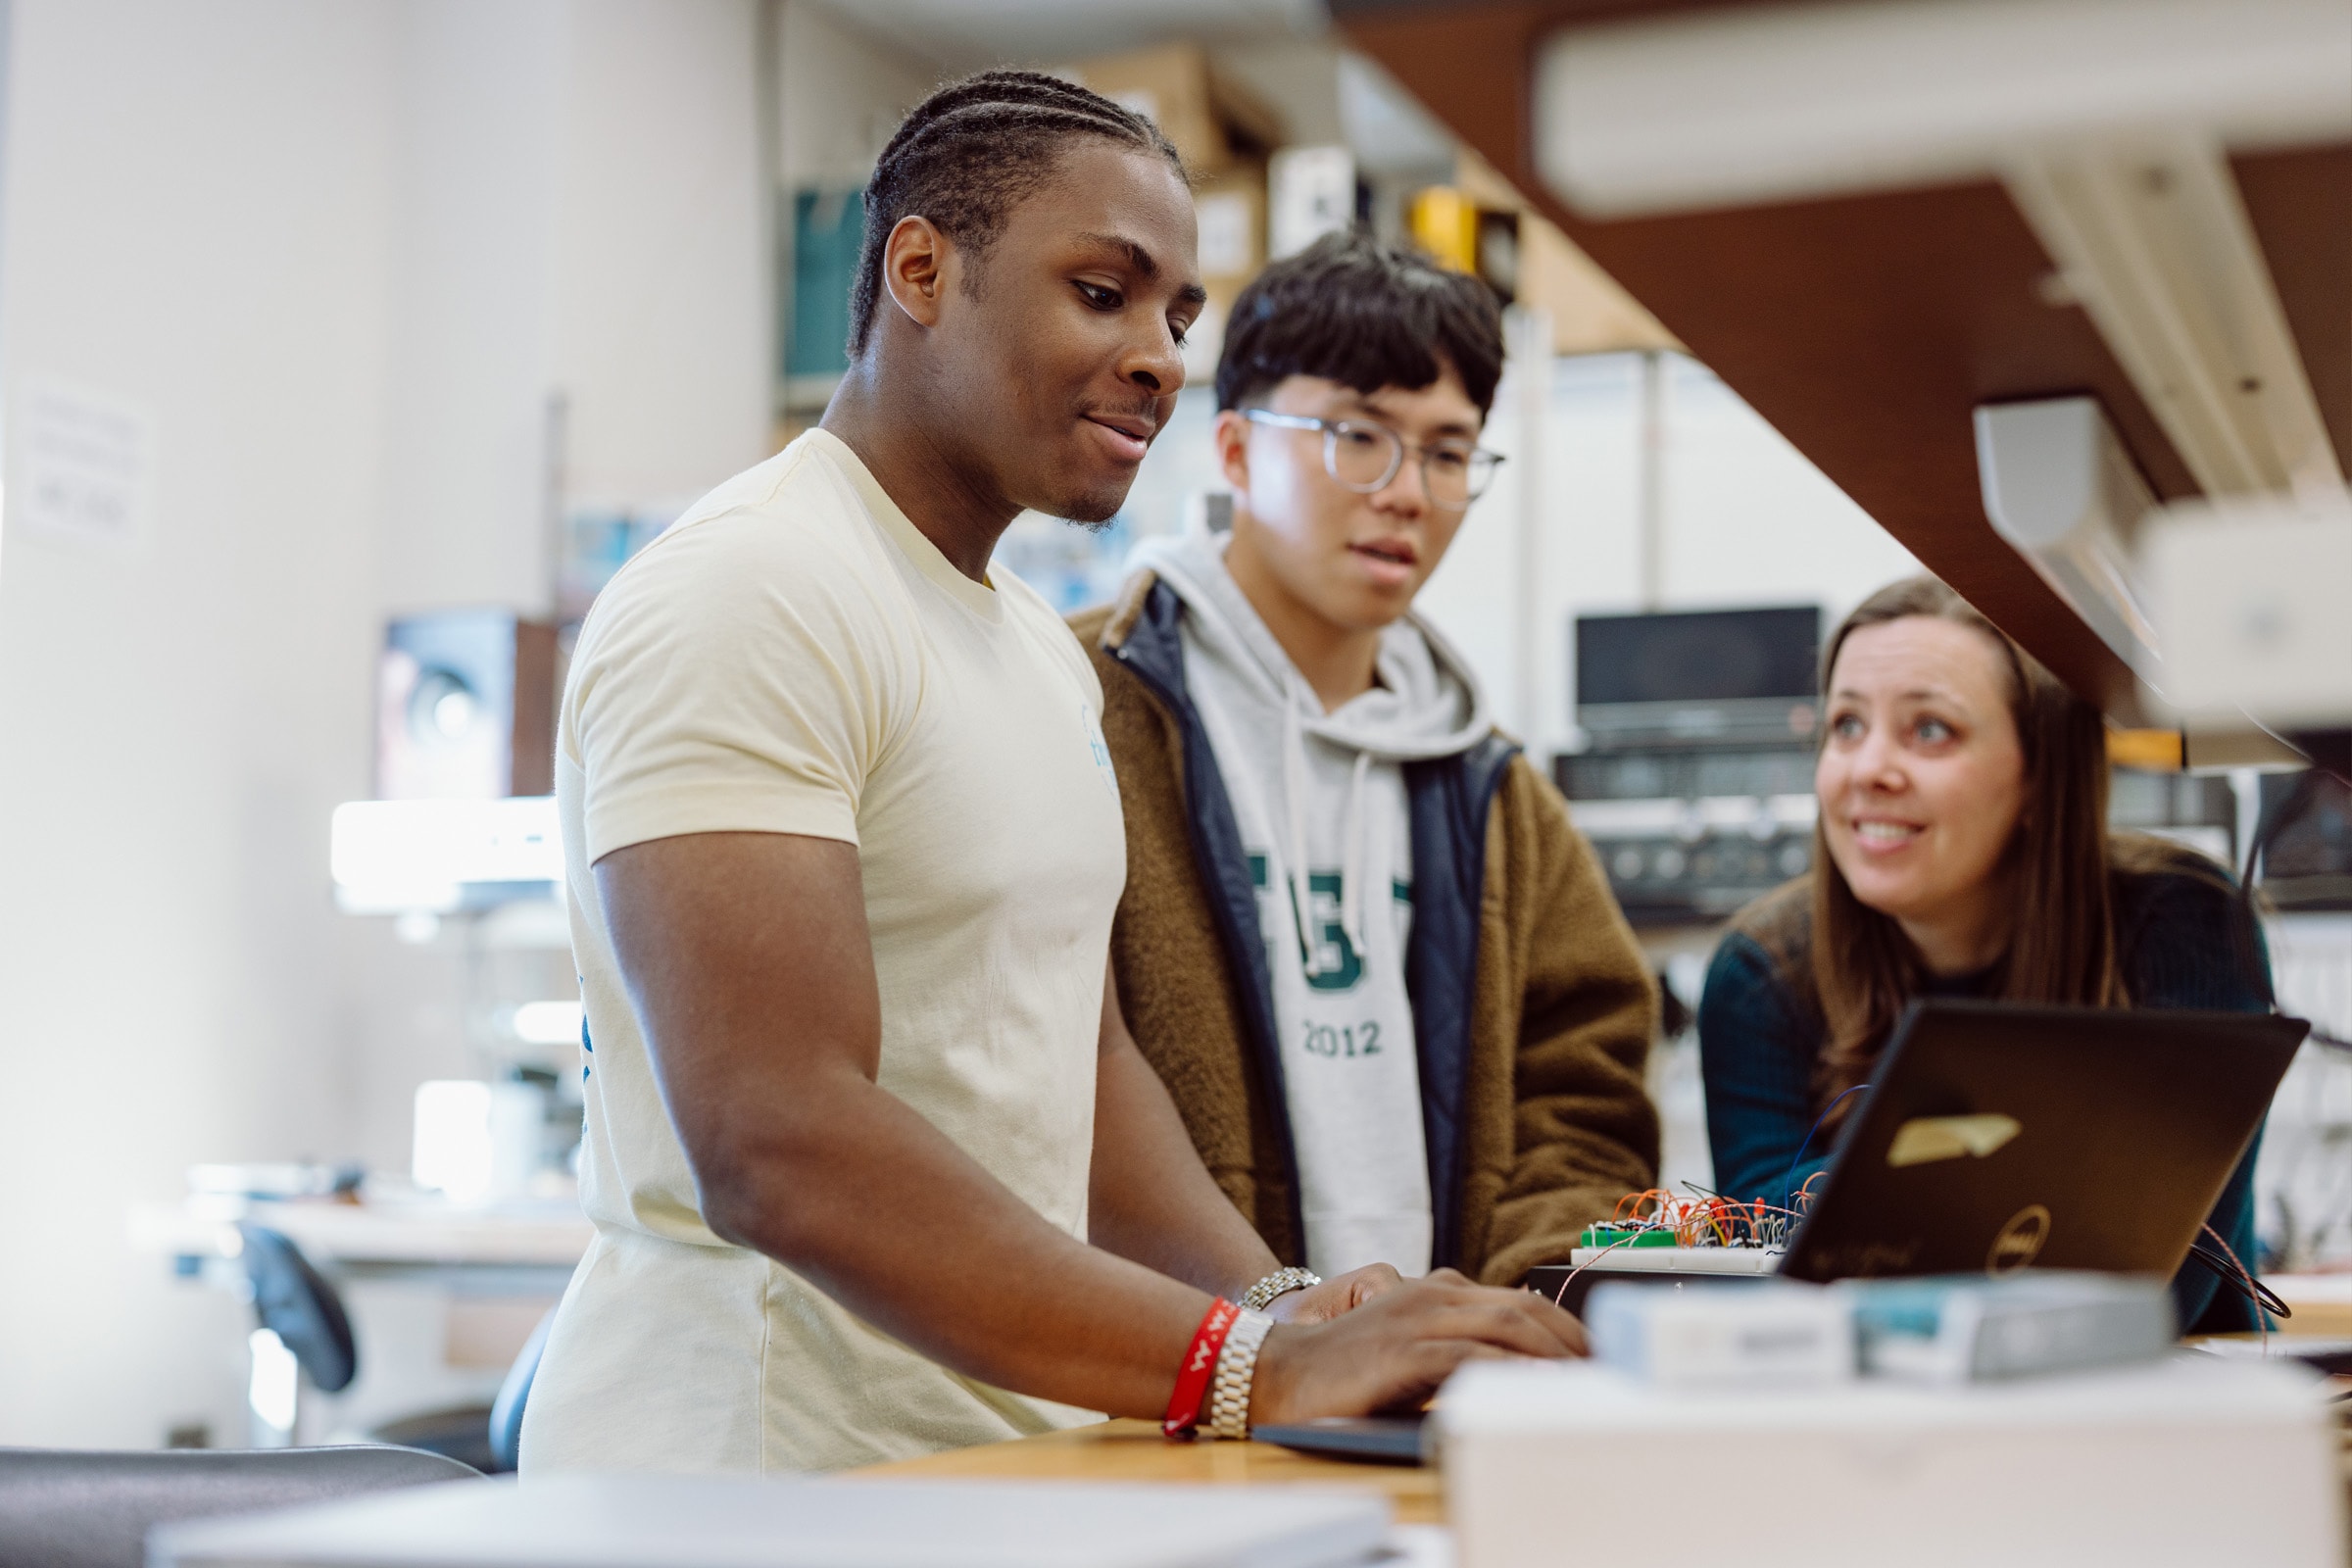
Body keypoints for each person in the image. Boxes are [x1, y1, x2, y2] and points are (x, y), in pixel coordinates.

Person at [518, 72, 1586, 1478]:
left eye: (1178, 317)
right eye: (1104, 292)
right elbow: (780, 1139)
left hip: (996, 1460)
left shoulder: (1031, 643)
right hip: (755, 1477)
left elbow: (1078, 1064)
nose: (1157, 353)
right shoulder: (751, 589)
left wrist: (1272, 1302)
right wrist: (1249, 1366)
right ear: (922, 269)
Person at [1070, 232, 1659, 1292]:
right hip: (1155, 1372)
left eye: (1447, 451)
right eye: (1359, 436)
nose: (1407, 492)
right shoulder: (1077, 701)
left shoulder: (1495, 789)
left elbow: (1585, 1094)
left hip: (1435, 1388)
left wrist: (1513, 1302)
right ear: (1239, 450)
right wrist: (1265, 1325)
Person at [1698, 575, 2270, 1332]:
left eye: (1930, 729)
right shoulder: (1760, 973)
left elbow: (2157, 1290)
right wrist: (2046, 1170)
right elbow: (1761, 1274)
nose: (1868, 769)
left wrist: (1892, 1194)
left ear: (2040, 774)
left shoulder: (2187, 921)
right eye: (1845, 726)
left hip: (2157, 1415)